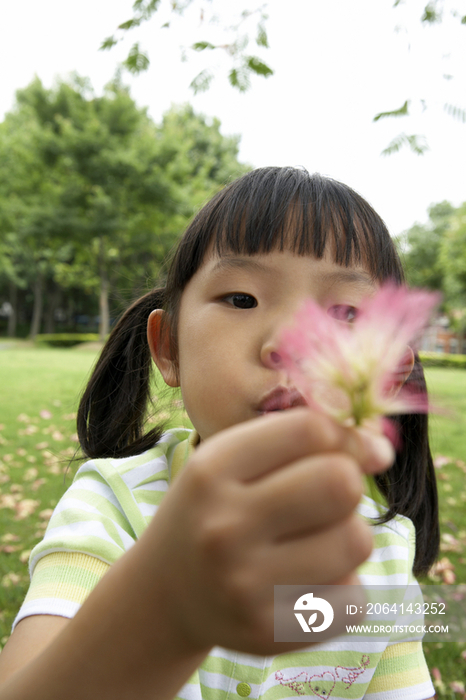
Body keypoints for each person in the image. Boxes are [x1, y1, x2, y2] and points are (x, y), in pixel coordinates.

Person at [0, 167, 437, 699]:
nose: (291, 344)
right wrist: (171, 609)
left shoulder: (386, 551)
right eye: (241, 300)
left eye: (345, 312)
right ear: (168, 348)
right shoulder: (113, 507)